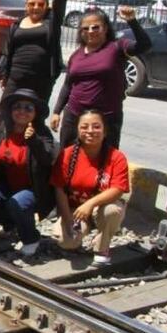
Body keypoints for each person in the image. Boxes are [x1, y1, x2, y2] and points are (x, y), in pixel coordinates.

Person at [50, 7, 150, 149]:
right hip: (74, 117)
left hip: (106, 118)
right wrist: (56, 112)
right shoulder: (76, 56)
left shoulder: (117, 47)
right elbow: (67, 85)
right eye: (85, 28)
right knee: (69, 158)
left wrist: (132, 21)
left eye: (95, 27)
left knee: (105, 159)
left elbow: (145, 45)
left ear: (105, 28)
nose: (90, 31)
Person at [51, 109, 130, 265]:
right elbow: (59, 188)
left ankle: (102, 247)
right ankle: (82, 233)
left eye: (96, 126)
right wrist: (67, 219)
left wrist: (90, 204)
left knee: (112, 211)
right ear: (78, 130)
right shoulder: (67, 154)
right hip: (76, 211)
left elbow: (118, 189)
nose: (90, 131)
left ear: (105, 131)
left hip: (101, 207)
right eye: (84, 127)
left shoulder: (116, 157)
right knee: (65, 241)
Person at [0, 89, 57, 257]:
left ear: (35, 113)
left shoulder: (42, 133)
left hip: (34, 190)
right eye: (17, 107)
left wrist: (33, 141)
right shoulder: (4, 130)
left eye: (28, 108)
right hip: (7, 186)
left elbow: (47, 158)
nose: (22, 111)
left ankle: (31, 238)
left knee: (18, 202)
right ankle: (11, 224)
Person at [0, 0, 76, 102]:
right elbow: (7, 52)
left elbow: (60, 1)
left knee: (35, 114)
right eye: (32, 4)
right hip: (14, 80)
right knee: (6, 111)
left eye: (40, 4)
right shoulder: (16, 25)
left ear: (47, 5)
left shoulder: (51, 23)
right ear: (26, 5)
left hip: (41, 82)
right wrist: (2, 73)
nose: (36, 7)